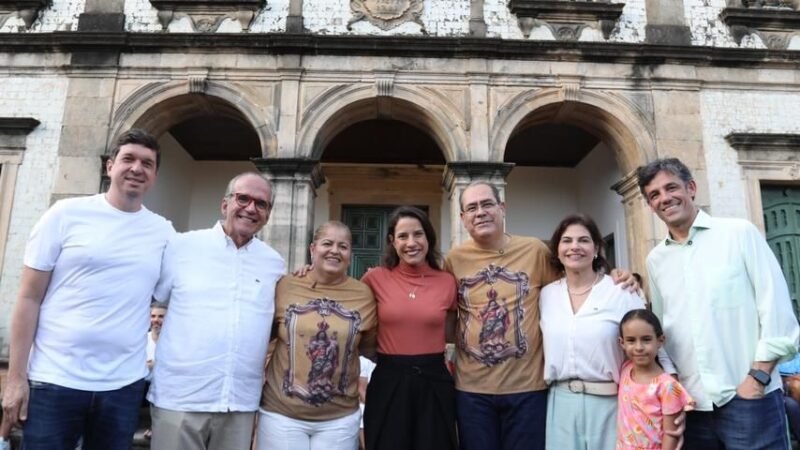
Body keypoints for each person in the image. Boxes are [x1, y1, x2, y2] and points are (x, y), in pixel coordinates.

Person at [0, 129, 173, 450]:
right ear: (110, 166)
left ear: (155, 175)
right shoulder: (65, 215)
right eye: (129, 159)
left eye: (147, 163)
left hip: (122, 386)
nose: (137, 168)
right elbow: (28, 297)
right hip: (55, 380)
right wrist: (15, 378)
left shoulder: (163, 232)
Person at [444, 181, 635, 450]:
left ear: (502, 207)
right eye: (472, 208)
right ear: (463, 218)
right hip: (473, 391)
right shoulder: (454, 259)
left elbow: (575, 280)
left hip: (528, 389)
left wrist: (618, 275)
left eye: (487, 204)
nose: (480, 212)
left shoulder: (534, 251)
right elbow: (448, 314)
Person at [638, 157, 800, 450]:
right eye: (654, 195)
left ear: (691, 188)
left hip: (750, 398)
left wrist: (757, 378)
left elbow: (776, 310)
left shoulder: (739, 234)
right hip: (692, 404)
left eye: (671, 187)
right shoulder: (655, 260)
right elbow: (662, 329)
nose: (664, 198)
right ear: (650, 205)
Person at [148, 172, 285, 450]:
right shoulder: (181, 247)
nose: (250, 208)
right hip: (180, 399)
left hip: (239, 402)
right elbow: (149, 301)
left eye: (261, 203)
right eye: (242, 198)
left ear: (268, 214)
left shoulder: (273, 263)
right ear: (225, 205)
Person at [539, 214, 674, 450]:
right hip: (560, 403)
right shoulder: (546, 295)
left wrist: (670, 382)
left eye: (583, 240)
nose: (574, 247)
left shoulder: (621, 290)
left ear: (597, 248)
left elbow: (650, 336)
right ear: (557, 250)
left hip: (612, 402)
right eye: (567, 241)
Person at [258, 221, 377, 450]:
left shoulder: (364, 294)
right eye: (327, 243)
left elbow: (368, 346)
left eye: (343, 246)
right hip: (281, 415)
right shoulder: (285, 285)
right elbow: (263, 336)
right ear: (312, 249)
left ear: (350, 254)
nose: (335, 250)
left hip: (339, 419)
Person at [361, 206, 458, 450]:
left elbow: (452, 331)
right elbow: (341, 294)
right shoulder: (374, 278)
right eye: (403, 236)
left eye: (418, 234)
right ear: (392, 242)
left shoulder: (447, 281)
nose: (411, 242)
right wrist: (309, 273)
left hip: (434, 380)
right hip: (389, 379)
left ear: (429, 238)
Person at [617, 309, 694, 450]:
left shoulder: (668, 386)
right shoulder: (625, 370)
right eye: (631, 340)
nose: (638, 347)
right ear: (622, 343)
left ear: (660, 341)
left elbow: (671, 434)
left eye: (646, 340)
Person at [146, 302, 167, 380]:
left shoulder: (175, 342)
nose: (156, 320)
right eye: (153, 316)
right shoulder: (142, 341)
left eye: (161, 316)